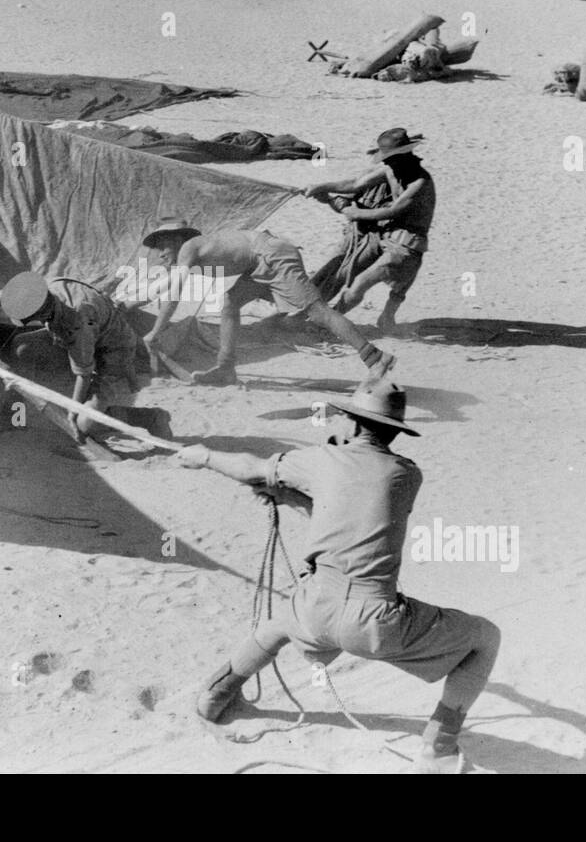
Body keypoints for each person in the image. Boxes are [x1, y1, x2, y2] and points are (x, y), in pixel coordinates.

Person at [177, 377, 501, 774]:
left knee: (279, 623)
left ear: (350, 423)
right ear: (393, 432)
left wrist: (204, 456)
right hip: (374, 622)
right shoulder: (407, 474)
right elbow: (354, 518)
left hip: (315, 609)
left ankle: (216, 694)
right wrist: (294, 496)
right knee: (485, 638)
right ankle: (440, 746)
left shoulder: (318, 460)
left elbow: (249, 469)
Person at [141, 219, 396, 386]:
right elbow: (164, 288)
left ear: (177, 239)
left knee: (317, 312)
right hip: (258, 261)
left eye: (163, 246)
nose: (161, 253)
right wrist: (129, 305)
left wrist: (155, 331)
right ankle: (225, 368)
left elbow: (173, 294)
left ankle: (375, 358)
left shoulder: (188, 248)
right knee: (230, 302)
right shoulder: (192, 250)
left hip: (271, 254)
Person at [0, 272, 164, 443]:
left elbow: (83, 373)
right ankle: (15, 416)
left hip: (114, 350)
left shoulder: (76, 323)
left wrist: (72, 415)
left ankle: (150, 417)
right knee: (22, 346)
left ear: (39, 314)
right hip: (88, 335)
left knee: (83, 425)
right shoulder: (39, 291)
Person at [306, 129, 434, 332]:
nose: (388, 163)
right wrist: (321, 186)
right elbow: (355, 184)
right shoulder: (392, 169)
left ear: (405, 155)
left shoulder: (420, 182)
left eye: (391, 158)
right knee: (342, 271)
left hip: (405, 246)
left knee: (360, 282)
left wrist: (353, 213)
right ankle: (310, 314)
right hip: (384, 237)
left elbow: (392, 211)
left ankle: (330, 324)